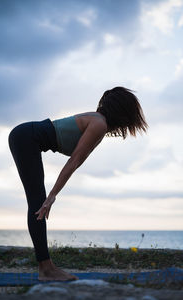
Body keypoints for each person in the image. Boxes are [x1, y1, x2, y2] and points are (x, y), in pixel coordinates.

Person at [8, 86, 148, 281]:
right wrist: (52, 196)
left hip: (24, 136)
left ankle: (46, 267)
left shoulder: (98, 122)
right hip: (26, 137)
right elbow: (73, 162)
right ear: (122, 112)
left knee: (37, 203)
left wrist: (50, 196)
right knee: (38, 203)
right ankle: (46, 269)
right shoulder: (99, 124)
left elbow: (75, 162)